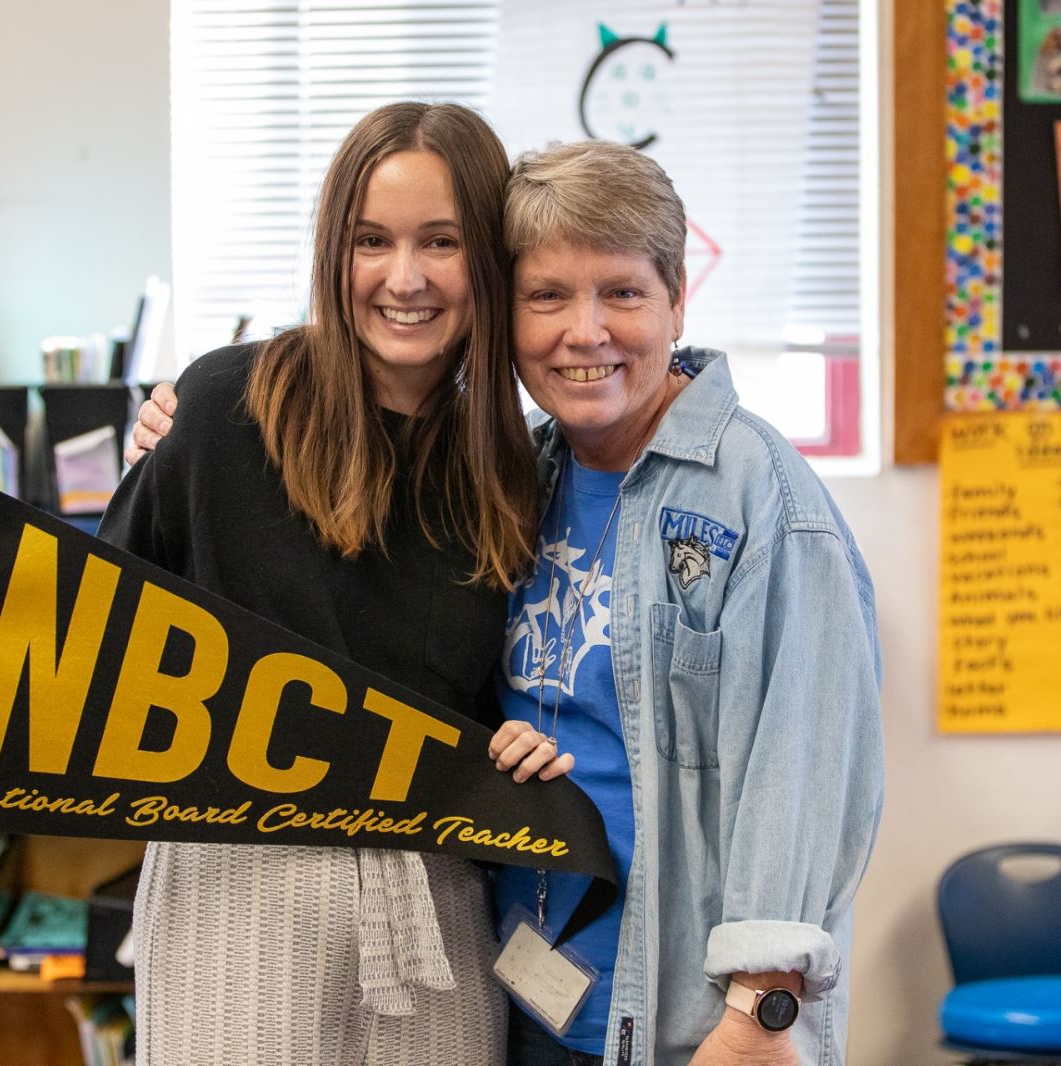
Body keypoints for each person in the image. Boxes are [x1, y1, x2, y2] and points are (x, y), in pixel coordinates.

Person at [132, 140, 884, 1066]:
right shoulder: (515, 472)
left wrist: (763, 1014)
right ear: (507, 311)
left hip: (683, 1022)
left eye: (623, 293)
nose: (586, 331)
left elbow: (805, 776)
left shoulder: (764, 504)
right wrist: (174, 434)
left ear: (677, 298)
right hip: (521, 990)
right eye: (548, 297)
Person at [0, 101, 574, 1065]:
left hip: (433, 917)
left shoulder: (512, 471)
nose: (405, 277)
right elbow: (93, 631)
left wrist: (524, 743)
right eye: (371, 240)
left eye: (441, 241)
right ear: (332, 252)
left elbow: (507, 695)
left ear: (486, 257)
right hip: (236, 902)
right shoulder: (225, 405)